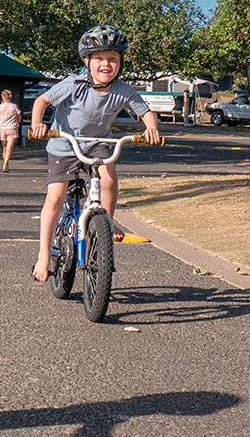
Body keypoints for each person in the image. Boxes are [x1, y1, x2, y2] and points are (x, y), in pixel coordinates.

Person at [28, 25, 162, 280]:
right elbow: (41, 101)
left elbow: (145, 112)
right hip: (64, 142)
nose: (106, 64)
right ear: (87, 60)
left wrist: (151, 129)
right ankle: (44, 253)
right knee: (55, 198)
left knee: (109, 178)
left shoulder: (123, 89)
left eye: (112, 59)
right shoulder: (74, 83)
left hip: (96, 141)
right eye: (99, 58)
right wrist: (37, 123)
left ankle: (106, 224)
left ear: (120, 63)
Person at [0, 88, 23, 171]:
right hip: (12, 127)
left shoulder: (0, 106)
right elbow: (19, 117)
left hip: (3, 128)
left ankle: (5, 163)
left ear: (3, 97)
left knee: (4, 147)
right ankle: (6, 164)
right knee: (9, 147)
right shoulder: (14, 106)